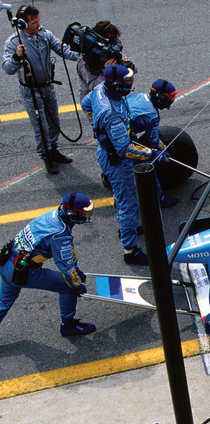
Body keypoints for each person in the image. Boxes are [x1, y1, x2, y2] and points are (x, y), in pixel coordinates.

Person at [81, 64, 170, 266]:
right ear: (117, 86)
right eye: (127, 81)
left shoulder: (99, 90)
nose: (131, 84)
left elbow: (86, 105)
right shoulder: (111, 114)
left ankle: (126, 226)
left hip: (110, 149)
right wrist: (153, 152)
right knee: (128, 204)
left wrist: (97, 127)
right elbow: (125, 150)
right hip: (117, 159)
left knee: (124, 200)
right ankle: (130, 250)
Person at [0, 192, 96, 336]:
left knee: (3, 302)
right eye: (85, 212)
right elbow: (65, 266)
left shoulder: (52, 215)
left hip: (7, 262)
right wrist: (76, 285)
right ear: (71, 212)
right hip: (23, 271)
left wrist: (76, 269)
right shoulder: (59, 234)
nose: (87, 215)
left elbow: (68, 252)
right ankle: (68, 326)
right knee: (67, 286)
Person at [3, 5, 79, 175]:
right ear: (23, 24)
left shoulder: (45, 35)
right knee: (40, 126)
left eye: (38, 21)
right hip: (30, 91)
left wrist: (84, 56)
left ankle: (54, 149)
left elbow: (64, 50)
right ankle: (46, 156)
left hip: (47, 87)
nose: (38, 24)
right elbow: (7, 68)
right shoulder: (14, 42)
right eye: (34, 22)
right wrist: (17, 56)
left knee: (53, 121)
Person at [125, 78, 179, 208]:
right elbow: (153, 141)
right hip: (123, 140)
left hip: (109, 134)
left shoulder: (139, 96)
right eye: (170, 97)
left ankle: (107, 178)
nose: (171, 101)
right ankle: (159, 199)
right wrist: (164, 150)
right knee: (146, 165)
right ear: (160, 97)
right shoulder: (152, 115)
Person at [76, 21, 135, 101]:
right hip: (95, 101)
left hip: (114, 95)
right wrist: (106, 72)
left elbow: (134, 69)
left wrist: (129, 65)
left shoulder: (111, 51)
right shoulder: (84, 60)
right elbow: (93, 86)